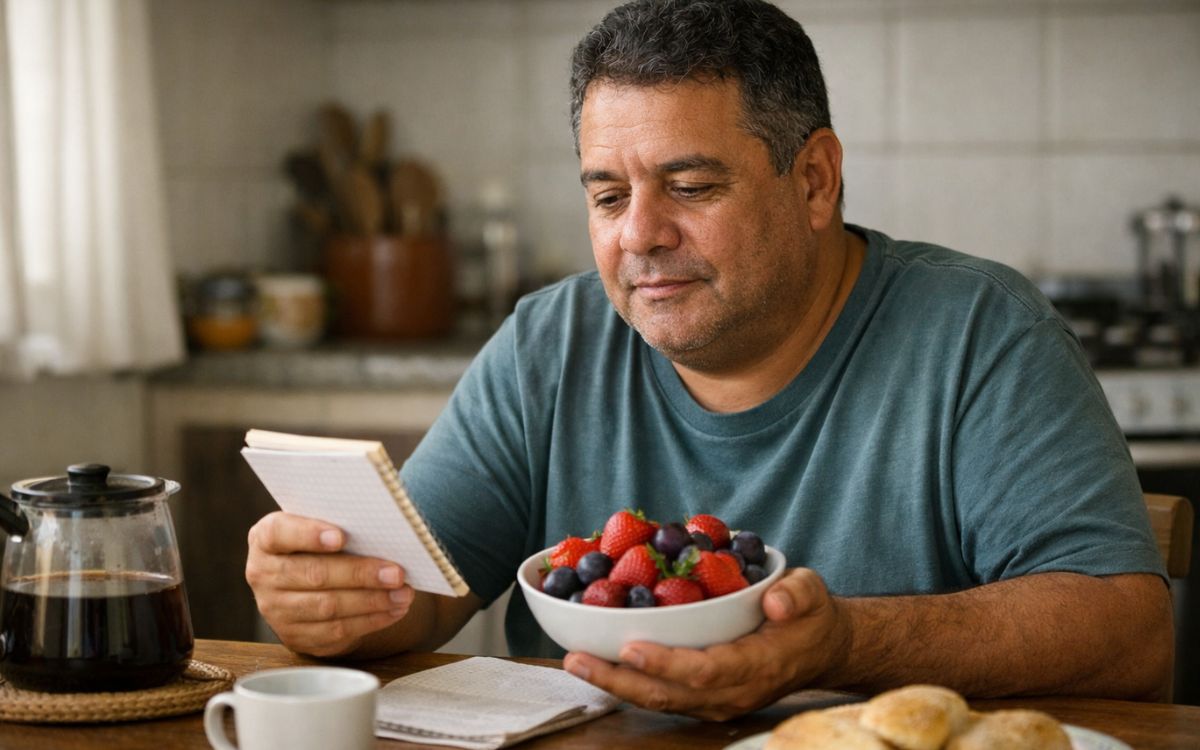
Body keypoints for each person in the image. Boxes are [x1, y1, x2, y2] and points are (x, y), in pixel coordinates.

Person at [245, 0, 1173, 720]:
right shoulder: (547, 342)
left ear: (813, 180)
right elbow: (412, 602)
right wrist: (328, 600)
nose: (640, 236)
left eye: (690, 186)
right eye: (609, 196)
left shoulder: (980, 333)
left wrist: (840, 642)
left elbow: (1130, 633)